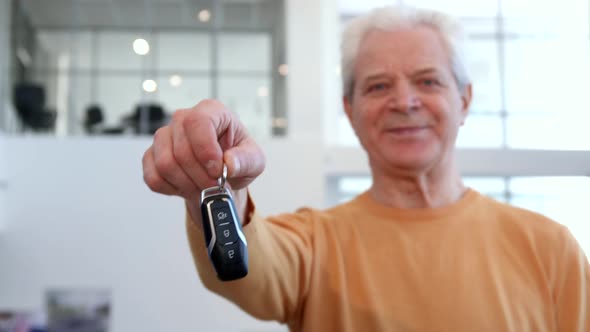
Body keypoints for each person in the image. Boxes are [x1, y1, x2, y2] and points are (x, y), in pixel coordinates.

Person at [142, 5, 589, 332]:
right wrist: (219, 184)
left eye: (428, 80)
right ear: (350, 110)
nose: (404, 101)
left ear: (465, 100)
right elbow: (254, 274)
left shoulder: (550, 248)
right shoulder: (314, 245)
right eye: (378, 86)